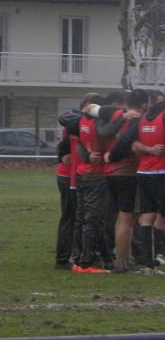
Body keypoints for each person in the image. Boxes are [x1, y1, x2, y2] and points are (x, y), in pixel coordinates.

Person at [108, 89, 165, 274]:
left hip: (134, 173)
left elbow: (129, 141)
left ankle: (144, 263)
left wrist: (111, 156)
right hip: (153, 173)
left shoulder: (131, 119)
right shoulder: (157, 118)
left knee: (144, 217)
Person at [58, 93, 116, 274]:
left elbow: (76, 144)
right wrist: (122, 118)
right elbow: (107, 133)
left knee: (81, 219)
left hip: (81, 173)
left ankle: (81, 259)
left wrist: (86, 156)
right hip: (94, 175)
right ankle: (85, 262)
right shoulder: (97, 123)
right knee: (91, 219)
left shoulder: (81, 121)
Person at [99, 89, 148, 273]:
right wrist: (113, 155)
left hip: (110, 173)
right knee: (127, 219)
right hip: (126, 172)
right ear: (144, 105)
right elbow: (126, 142)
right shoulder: (136, 120)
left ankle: (116, 258)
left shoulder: (116, 116)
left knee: (117, 218)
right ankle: (121, 262)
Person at [54, 127, 77, 270]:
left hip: (70, 175)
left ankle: (69, 255)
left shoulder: (75, 125)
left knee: (72, 217)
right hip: (69, 176)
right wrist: (62, 156)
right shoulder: (75, 126)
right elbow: (63, 148)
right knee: (69, 217)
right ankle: (63, 258)